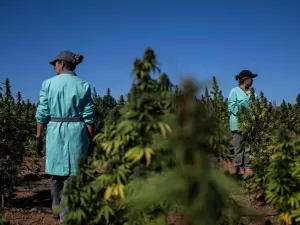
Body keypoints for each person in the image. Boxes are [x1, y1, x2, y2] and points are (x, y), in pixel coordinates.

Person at [35, 50, 95, 223]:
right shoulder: (83, 84)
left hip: (55, 131)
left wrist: (38, 137)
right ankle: (66, 215)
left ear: (61, 64)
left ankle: (58, 210)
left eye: (55, 64)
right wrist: (91, 138)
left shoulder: (47, 84)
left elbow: (42, 113)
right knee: (72, 175)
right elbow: (89, 115)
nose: (54, 67)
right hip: (77, 131)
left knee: (56, 174)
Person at [228, 70, 258, 175]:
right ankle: (239, 167)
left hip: (250, 123)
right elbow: (231, 106)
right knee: (239, 146)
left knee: (249, 146)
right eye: (251, 79)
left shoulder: (253, 92)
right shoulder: (234, 91)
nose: (252, 81)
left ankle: (249, 166)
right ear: (245, 80)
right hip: (237, 123)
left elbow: (256, 105)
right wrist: (243, 111)